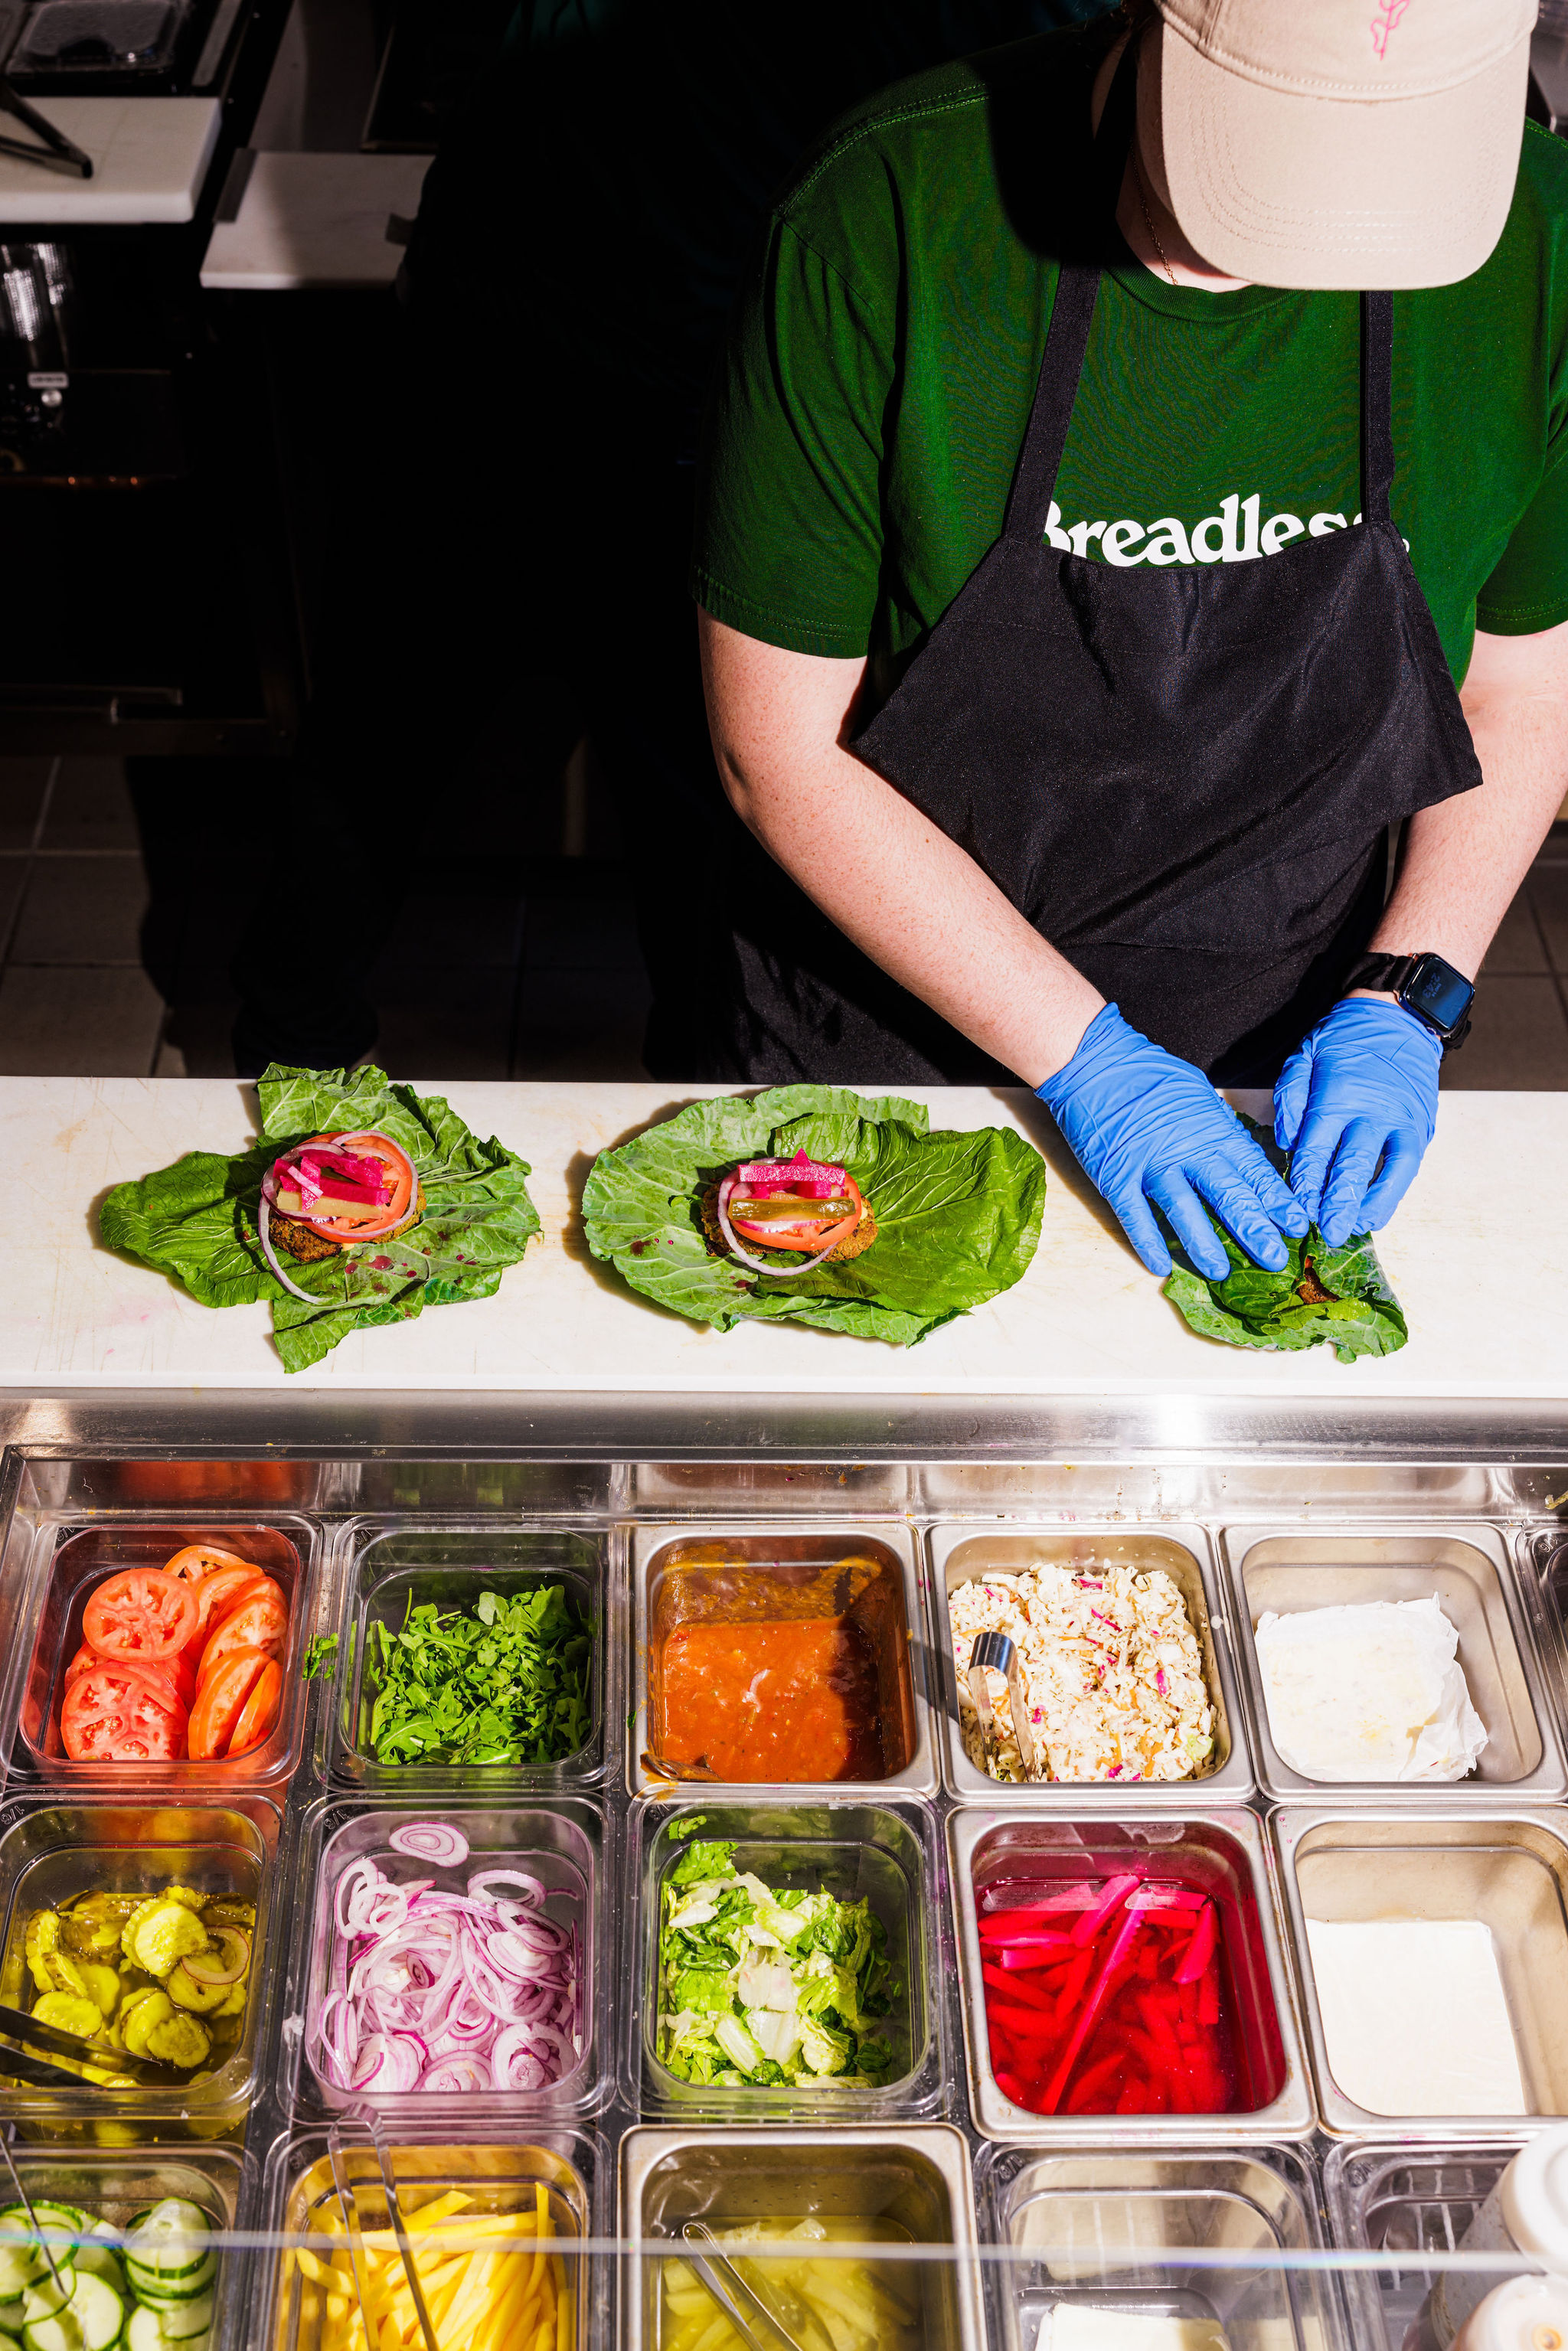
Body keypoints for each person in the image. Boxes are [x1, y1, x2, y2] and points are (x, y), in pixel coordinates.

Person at [694, 0, 1568, 1284]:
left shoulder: (1538, 235)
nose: (1304, 254)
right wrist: (1094, 1064)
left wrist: (1408, 992)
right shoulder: (889, 209)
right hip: (901, 1041)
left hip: (1293, 1035)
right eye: (1267, 176)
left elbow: (1519, 694)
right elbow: (780, 752)